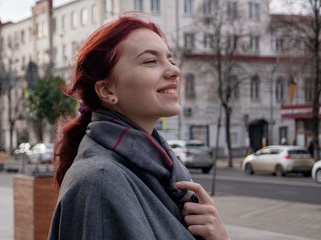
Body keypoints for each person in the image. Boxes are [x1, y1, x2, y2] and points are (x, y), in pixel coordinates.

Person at [49, 15, 228, 240]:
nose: (174, 71)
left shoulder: (156, 168)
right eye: (151, 61)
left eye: (170, 60)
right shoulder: (102, 182)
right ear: (107, 91)